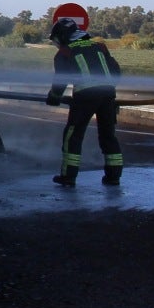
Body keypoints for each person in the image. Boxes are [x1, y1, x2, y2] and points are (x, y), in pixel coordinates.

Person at [44, 16, 124, 186]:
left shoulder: (64, 52)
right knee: (108, 135)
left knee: (73, 135)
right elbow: (116, 71)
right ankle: (113, 177)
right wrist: (108, 88)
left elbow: (60, 81)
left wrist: (54, 97)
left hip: (85, 97)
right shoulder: (99, 47)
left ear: (63, 36)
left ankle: (68, 176)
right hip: (108, 95)